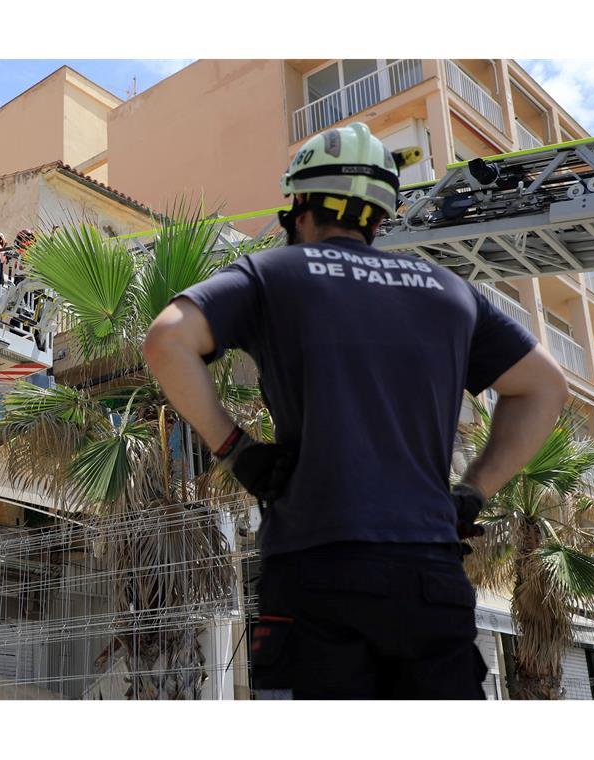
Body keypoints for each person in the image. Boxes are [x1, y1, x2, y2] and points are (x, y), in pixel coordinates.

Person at [141, 122, 568, 699]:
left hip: (317, 569)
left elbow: (167, 340)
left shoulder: (271, 274)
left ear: (298, 205)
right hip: (430, 577)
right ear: (382, 215)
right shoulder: (449, 290)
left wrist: (234, 449)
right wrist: (474, 490)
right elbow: (544, 385)